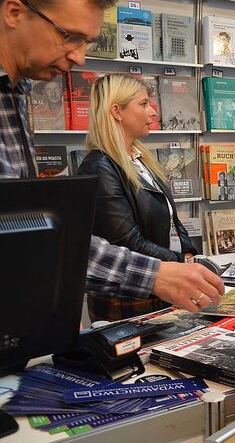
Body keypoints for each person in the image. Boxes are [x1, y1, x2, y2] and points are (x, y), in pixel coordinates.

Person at [0, 0, 223, 314]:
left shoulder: (15, 93)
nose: (80, 58)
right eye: (69, 36)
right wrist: (157, 274)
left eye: (86, 41)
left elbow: (22, 227)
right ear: (14, 13)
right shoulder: (100, 164)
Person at [78, 74, 198, 321]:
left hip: (163, 282)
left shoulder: (142, 159)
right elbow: (127, 241)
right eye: (143, 104)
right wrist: (180, 262)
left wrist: (187, 251)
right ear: (117, 112)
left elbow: (171, 218)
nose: (153, 112)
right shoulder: (100, 166)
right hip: (131, 294)